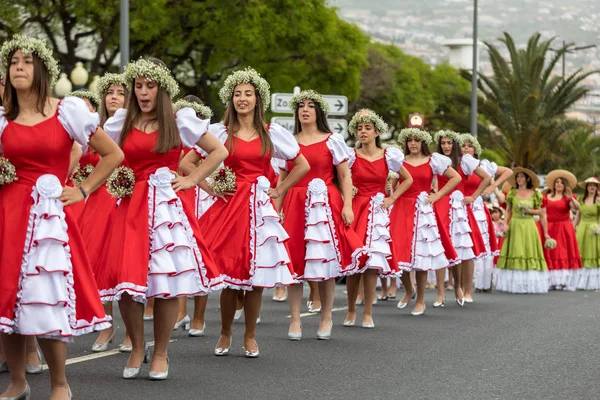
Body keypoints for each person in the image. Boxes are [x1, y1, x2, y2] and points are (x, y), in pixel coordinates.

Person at [0, 34, 123, 400]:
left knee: (46, 295)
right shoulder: (3, 120)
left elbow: (112, 155)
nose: (18, 67)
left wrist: (83, 190)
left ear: (42, 70)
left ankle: (59, 384)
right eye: (13, 62)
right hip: (10, 214)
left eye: (26, 61)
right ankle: (19, 381)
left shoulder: (67, 110)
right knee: (8, 297)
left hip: (50, 221)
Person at [96, 57, 227, 380]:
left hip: (166, 209)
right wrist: (116, 179)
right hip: (130, 206)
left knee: (166, 283)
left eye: (149, 86)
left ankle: (163, 352)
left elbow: (219, 152)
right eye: (138, 86)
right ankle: (138, 347)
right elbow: (103, 153)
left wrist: (191, 179)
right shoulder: (121, 121)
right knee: (127, 283)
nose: (143, 92)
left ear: (162, 88)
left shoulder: (179, 119)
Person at [192, 68, 309, 356]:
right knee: (231, 279)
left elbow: (302, 165)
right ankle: (225, 333)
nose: (242, 99)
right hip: (228, 209)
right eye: (237, 94)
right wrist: (209, 188)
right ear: (230, 100)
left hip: (258, 209)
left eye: (248, 94)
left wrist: (279, 190)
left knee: (256, 280)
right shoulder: (219, 132)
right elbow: (188, 162)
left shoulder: (272, 134)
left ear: (258, 99)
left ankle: (250, 336)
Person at [275, 90, 365, 340]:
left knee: (324, 261)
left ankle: (326, 317)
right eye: (301, 106)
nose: (305, 110)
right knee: (294, 261)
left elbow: (345, 175)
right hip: (295, 202)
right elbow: (283, 178)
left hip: (324, 204)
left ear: (319, 112)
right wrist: (276, 210)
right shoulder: (289, 141)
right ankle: (295, 320)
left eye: (310, 106)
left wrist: (347, 205)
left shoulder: (332, 140)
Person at [344, 109, 413, 327]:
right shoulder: (350, 156)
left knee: (372, 262)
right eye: (359, 128)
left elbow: (408, 179)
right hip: (356, 209)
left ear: (377, 132)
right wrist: (347, 198)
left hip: (377, 211)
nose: (362, 132)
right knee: (356, 260)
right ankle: (351, 309)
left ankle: (368, 313)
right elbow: (340, 178)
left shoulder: (388, 156)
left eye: (367, 128)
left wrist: (392, 198)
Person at [80, 72, 133, 353]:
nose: (114, 97)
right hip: (99, 197)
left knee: (123, 264)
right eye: (110, 92)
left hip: (127, 195)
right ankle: (107, 325)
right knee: (97, 260)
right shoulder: (94, 126)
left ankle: (131, 332)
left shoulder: (134, 125)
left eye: (121, 92)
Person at [389, 128, 461, 315]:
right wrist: (389, 187)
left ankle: (420, 299)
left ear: (423, 143)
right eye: (410, 140)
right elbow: (393, 186)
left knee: (421, 255)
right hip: (401, 209)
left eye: (417, 140)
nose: (413, 143)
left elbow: (456, 177)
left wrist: (438, 195)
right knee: (398, 251)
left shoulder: (433, 161)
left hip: (422, 210)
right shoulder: (400, 161)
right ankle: (408, 290)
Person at [432, 130, 490, 307]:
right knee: (440, 248)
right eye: (443, 143)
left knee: (459, 248)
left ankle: (458, 286)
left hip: (458, 208)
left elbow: (486, 178)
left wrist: (473, 196)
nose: (446, 146)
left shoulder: (465, 160)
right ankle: (440, 293)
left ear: (454, 144)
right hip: (439, 204)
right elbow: (429, 178)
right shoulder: (435, 159)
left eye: (449, 143)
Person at [459, 134, 513, 301]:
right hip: (459, 208)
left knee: (472, 249)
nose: (466, 148)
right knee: (459, 250)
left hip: (475, 209)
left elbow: (509, 171)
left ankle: (469, 289)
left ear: (476, 149)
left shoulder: (484, 165)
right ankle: (458, 288)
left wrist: (492, 187)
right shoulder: (455, 164)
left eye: (470, 146)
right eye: (463, 146)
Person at [495, 168, 549, 293]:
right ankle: (514, 284)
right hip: (515, 223)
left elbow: (541, 212)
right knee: (516, 249)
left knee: (529, 250)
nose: (518, 179)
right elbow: (508, 210)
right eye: (517, 177)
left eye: (521, 177)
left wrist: (530, 211)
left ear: (527, 179)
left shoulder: (535, 193)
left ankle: (529, 283)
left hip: (529, 224)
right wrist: (505, 224)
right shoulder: (512, 193)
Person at [540, 170, 581, 291]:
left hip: (564, 228)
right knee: (550, 252)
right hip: (549, 226)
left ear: (565, 186)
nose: (558, 184)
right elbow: (543, 214)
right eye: (556, 182)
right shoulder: (545, 197)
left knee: (562, 252)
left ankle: (562, 280)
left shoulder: (568, 198)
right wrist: (545, 230)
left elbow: (578, 208)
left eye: (561, 183)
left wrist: (571, 199)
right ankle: (550, 280)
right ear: (553, 184)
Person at [575, 177, 600, 290]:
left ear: (597, 188)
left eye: (594, 185)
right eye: (590, 185)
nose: (592, 187)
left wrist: (598, 227)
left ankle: (594, 282)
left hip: (594, 228)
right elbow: (578, 214)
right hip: (582, 228)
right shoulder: (581, 199)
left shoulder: (599, 200)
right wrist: (574, 226)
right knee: (581, 250)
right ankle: (580, 281)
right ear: (586, 187)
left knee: (593, 252)